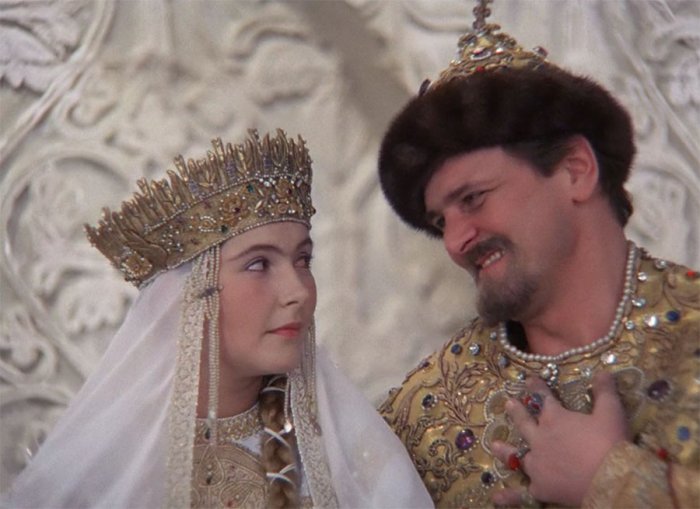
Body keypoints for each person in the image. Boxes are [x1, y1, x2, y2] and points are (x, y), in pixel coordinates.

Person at [376, 0, 699, 507]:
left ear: (575, 171)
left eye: (473, 199)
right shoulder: (421, 419)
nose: (456, 242)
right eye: (441, 222)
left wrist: (617, 483)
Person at [3, 129, 433, 508]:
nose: (299, 291)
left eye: (303, 260)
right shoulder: (101, 475)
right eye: (259, 264)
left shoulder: (352, 458)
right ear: (186, 295)